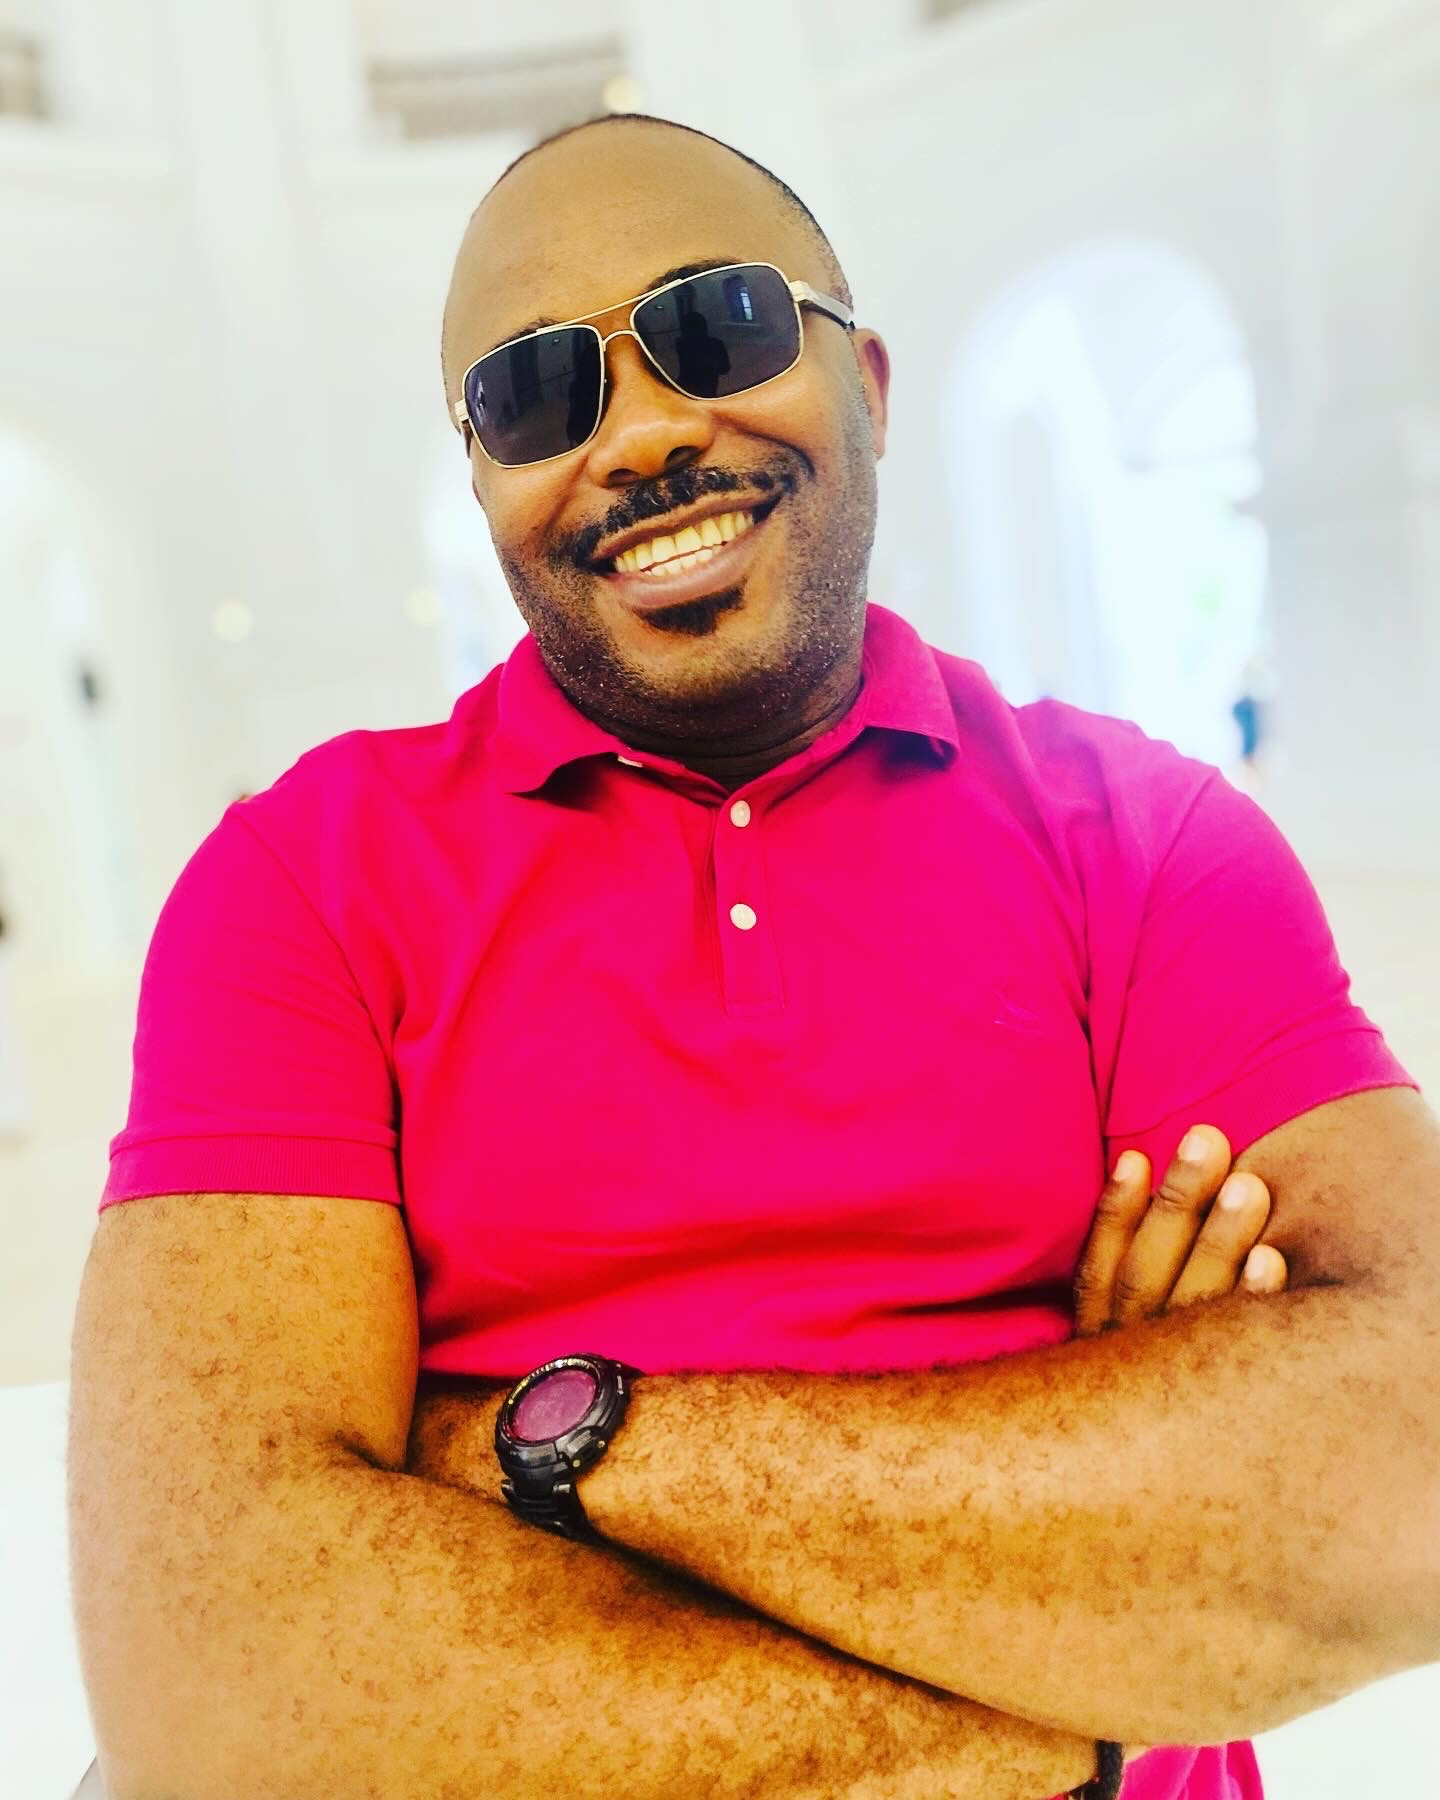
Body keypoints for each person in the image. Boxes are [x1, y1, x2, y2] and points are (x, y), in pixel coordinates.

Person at [68, 115, 1439, 1800]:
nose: (644, 432)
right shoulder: (302, 883)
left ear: (870, 384)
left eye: (718, 326)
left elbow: (1409, 1466)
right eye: (535, 395)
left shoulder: (1149, 839)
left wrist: (560, 1447)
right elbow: (216, 1670)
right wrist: (1100, 1649)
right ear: (484, 484)